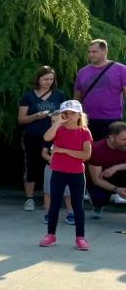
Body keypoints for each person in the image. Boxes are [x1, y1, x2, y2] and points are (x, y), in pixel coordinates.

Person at [39, 100, 92, 250]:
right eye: (66, 113)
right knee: (55, 204)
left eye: (72, 113)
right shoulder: (58, 129)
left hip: (76, 173)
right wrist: (57, 122)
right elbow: (46, 137)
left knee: (78, 206)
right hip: (58, 172)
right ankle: (51, 235)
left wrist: (64, 151)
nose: (69, 116)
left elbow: (86, 155)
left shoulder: (84, 132)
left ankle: (80, 237)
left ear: (79, 115)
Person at [17, 66, 64, 211]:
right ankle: (29, 198)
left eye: (51, 79)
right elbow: (21, 119)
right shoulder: (28, 96)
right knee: (31, 166)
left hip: (53, 137)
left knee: (51, 166)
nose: (48, 82)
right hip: (33, 135)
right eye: (45, 79)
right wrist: (36, 116)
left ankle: (48, 198)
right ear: (38, 79)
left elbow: (66, 116)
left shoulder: (59, 95)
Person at [73, 39, 126, 141]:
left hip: (112, 120)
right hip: (86, 120)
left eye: (94, 52)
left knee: (110, 148)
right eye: (89, 52)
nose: (90, 55)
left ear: (105, 51)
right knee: (88, 148)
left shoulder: (121, 70)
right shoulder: (82, 72)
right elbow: (76, 98)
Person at [88, 120, 126, 218]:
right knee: (98, 198)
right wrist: (117, 189)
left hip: (121, 177)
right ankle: (97, 205)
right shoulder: (97, 149)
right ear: (112, 138)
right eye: (123, 139)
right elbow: (97, 180)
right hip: (102, 180)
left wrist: (116, 167)